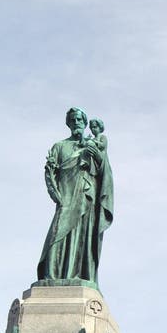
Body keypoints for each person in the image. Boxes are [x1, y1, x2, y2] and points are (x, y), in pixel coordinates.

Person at [38, 107, 114, 284]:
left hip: (87, 195)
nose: (76, 123)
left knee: (83, 235)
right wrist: (55, 194)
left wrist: (98, 156)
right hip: (66, 195)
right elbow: (50, 172)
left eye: (79, 119)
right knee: (57, 232)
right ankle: (52, 276)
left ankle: (80, 274)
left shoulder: (93, 143)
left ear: (85, 123)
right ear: (68, 124)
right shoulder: (59, 146)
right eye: (73, 120)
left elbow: (105, 172)